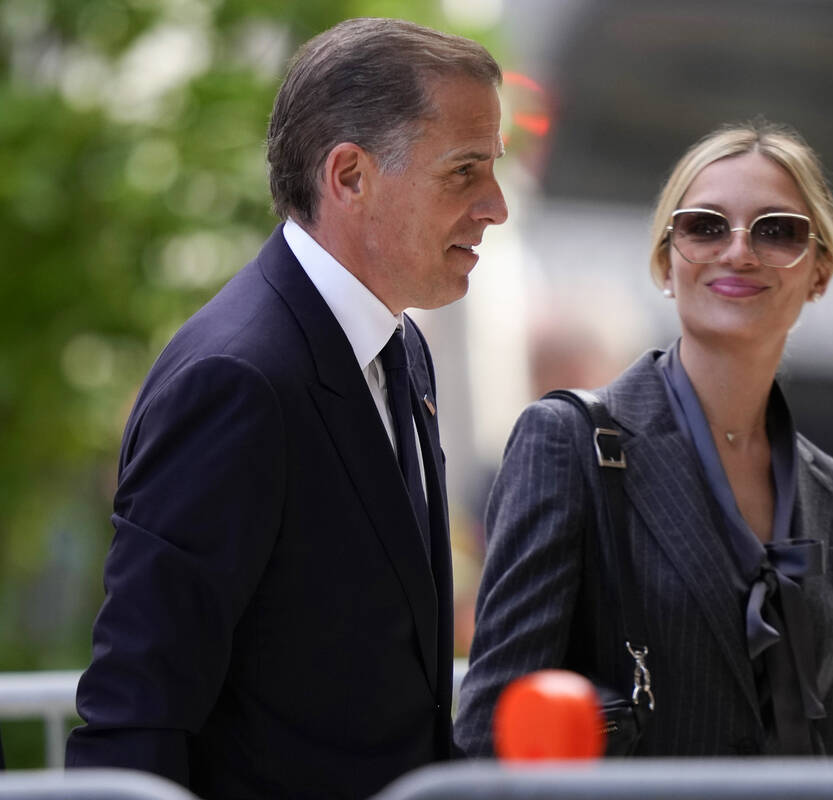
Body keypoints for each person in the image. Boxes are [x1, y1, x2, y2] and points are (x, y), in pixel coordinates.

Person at [66, 17, 507, 798]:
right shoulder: (236, 381)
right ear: (349, 176)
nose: (496, 205)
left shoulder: (401, 348)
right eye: (464, 170)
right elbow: (139, 709)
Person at [455, 121, 833, 757]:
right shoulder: (568, 443)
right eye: (705, 226)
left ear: (819, 270)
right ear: (664, 263)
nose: (739, 252)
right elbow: (493, 733)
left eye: (778, 230)